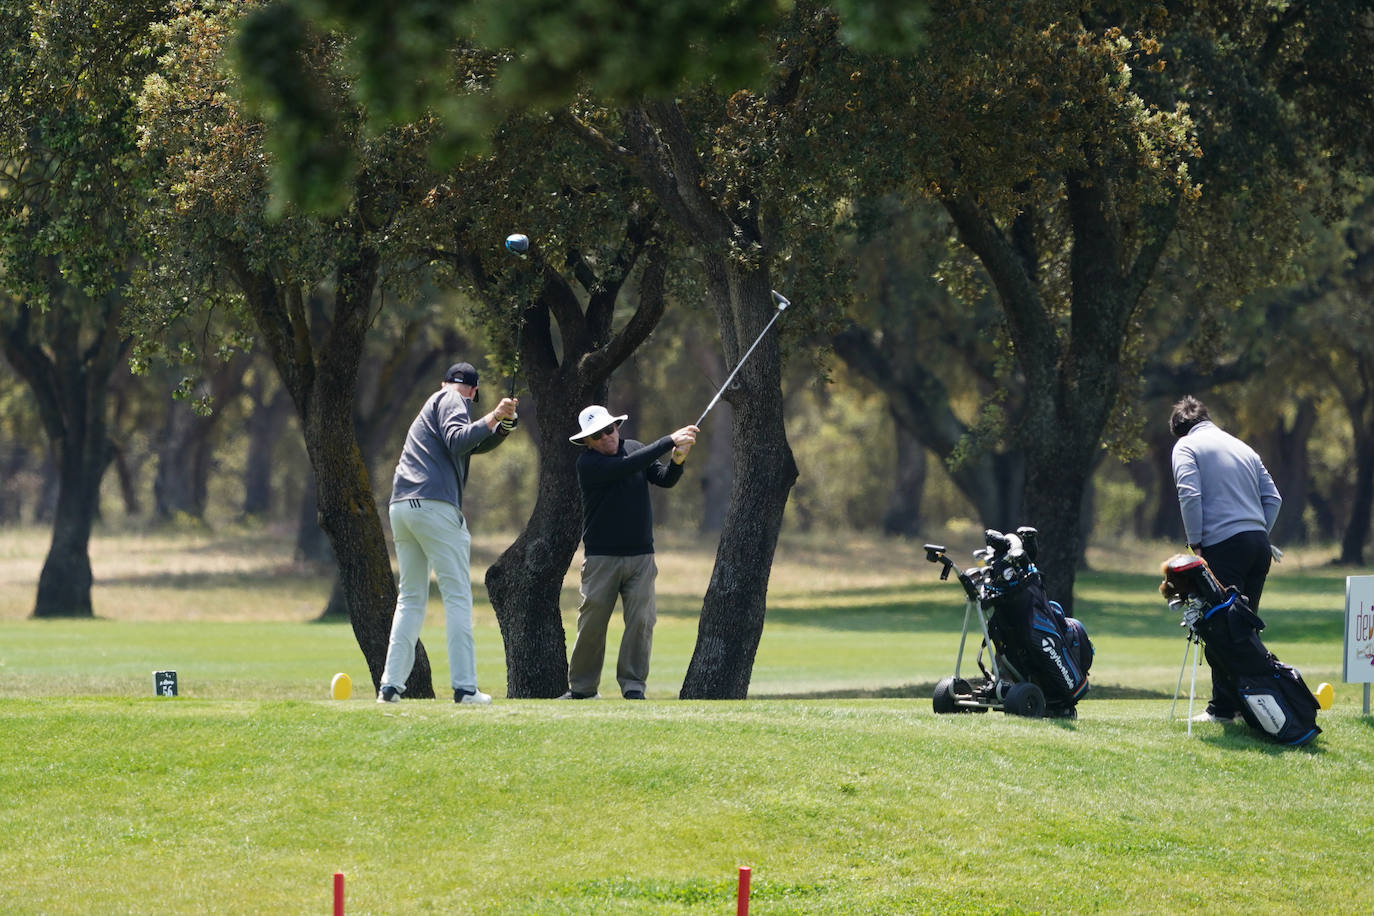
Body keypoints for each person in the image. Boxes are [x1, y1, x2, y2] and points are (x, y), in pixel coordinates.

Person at [377, 362, 518, 705]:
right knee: (457, 596)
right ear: (473, 392)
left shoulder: (435, 402)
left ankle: (390, 687)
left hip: (402, 507)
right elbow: (459, 440)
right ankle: (465, 688)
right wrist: (494, 415)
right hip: (434, 507)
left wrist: (500, 426)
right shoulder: (454, 399)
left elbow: (470, 444)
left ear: (444, 381)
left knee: (410, 599)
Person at [563, 405, 698, 700]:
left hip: (641, 557)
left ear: (616, 427)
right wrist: (667, 441)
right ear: (587, 442)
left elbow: (663, 478)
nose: (605, 438)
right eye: (596, 436)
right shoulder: (588, 464)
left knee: (641, 622)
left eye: (608, 430)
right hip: (601, 558)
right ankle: (583, 690)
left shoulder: (634, 449)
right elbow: (623, 467)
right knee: (592, 624)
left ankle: (634, 686)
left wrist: (677, 460)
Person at [1169, 394, 1282, 723]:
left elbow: (1189, 493)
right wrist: (1257, 529)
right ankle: (1252, 704)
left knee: (1221, 628)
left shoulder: (1186, 447)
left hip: (1222, 545)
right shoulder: (1243, 447)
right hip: (1259, 546)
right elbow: (1273, 498)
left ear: (1179, 429)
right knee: (1245, 630)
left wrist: (1195, 543)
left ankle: (1223, 710)